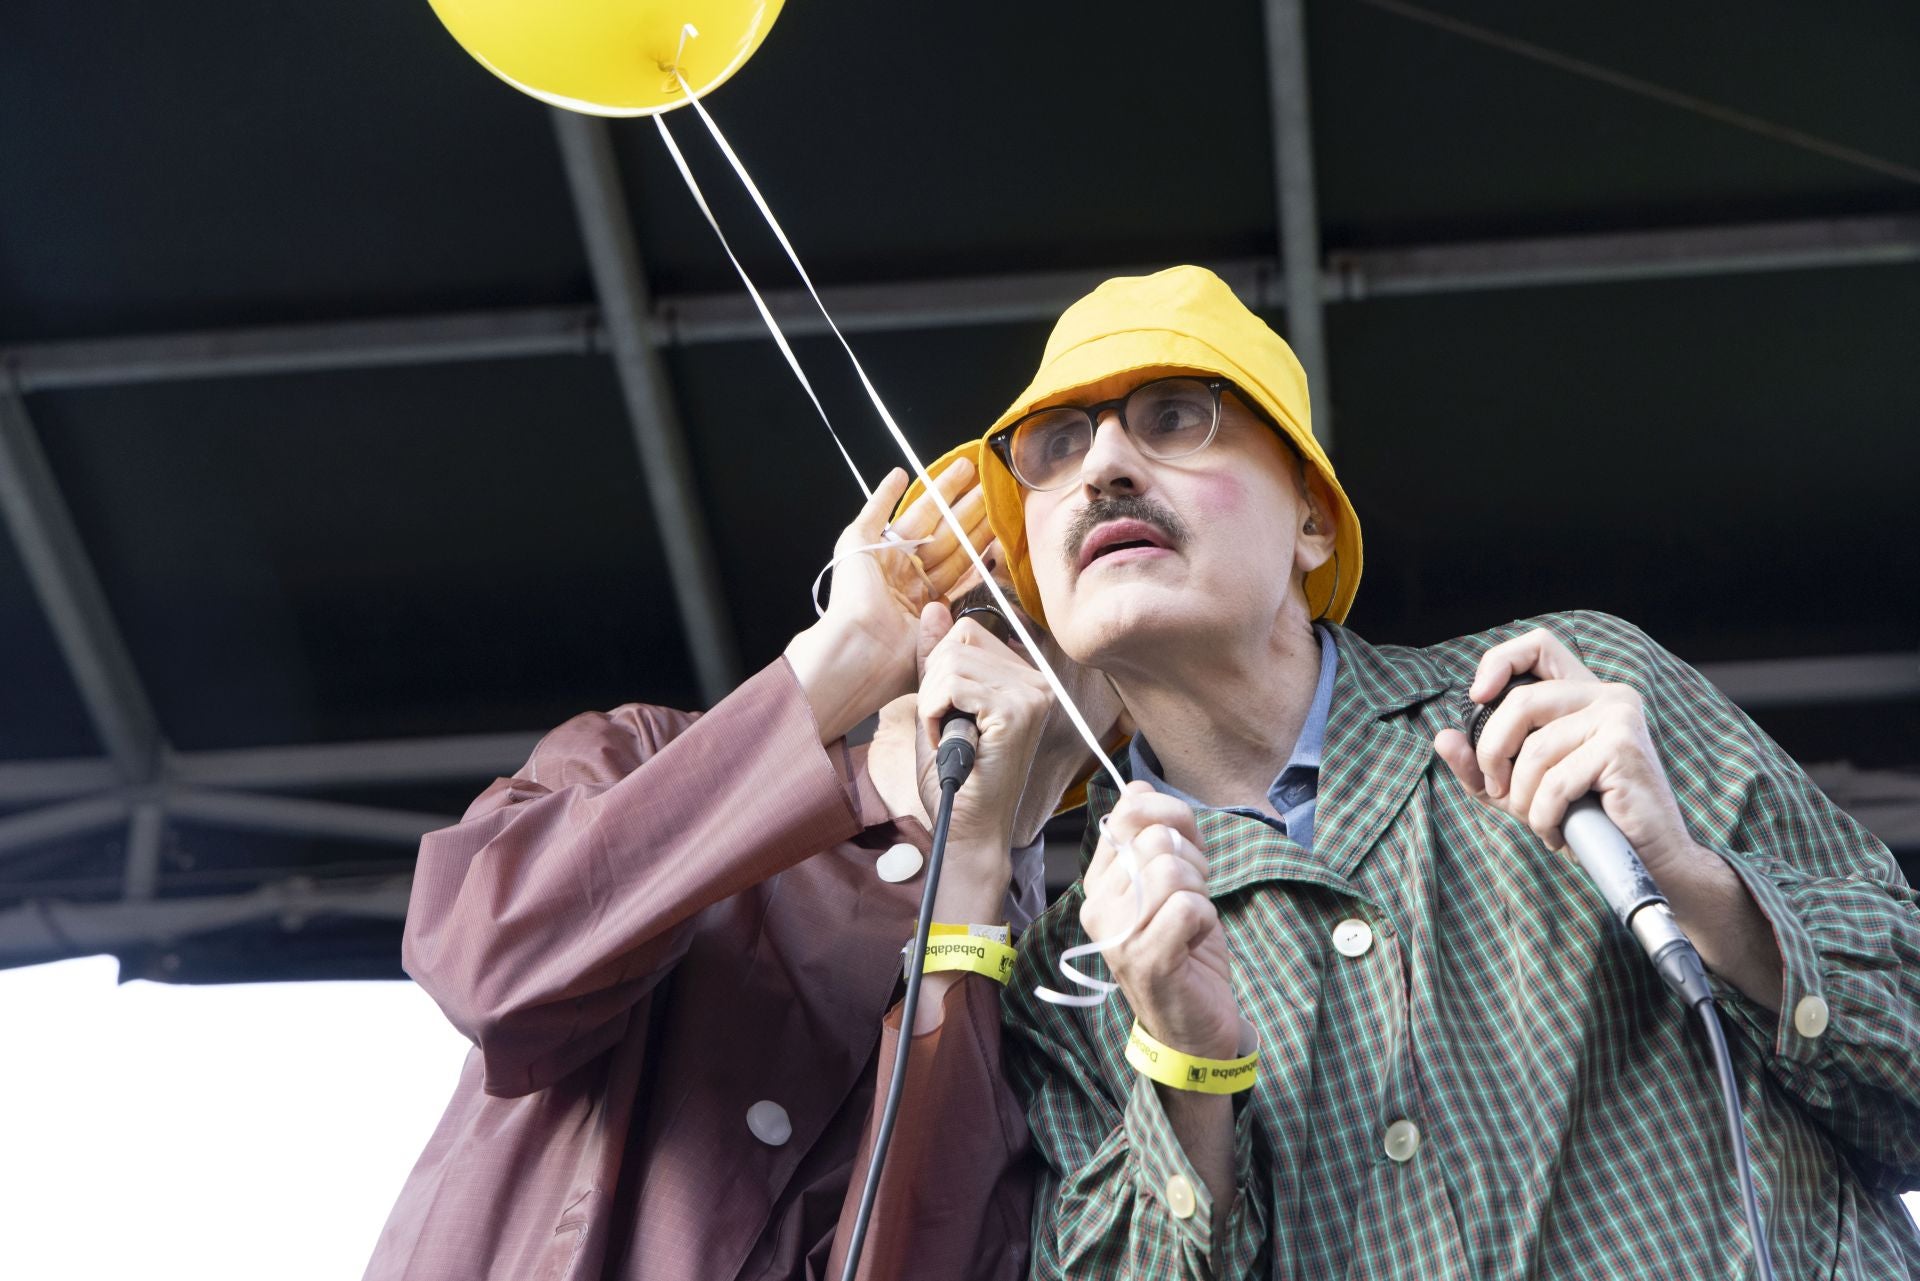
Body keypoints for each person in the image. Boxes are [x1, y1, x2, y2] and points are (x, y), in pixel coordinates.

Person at [941, 265, 1919, 1277]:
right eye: (1055, 446)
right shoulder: (1070, 980)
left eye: (1176, 416)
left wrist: (1691, 880)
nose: (1102, 464)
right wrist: (1187, 1073)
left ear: (1312, 520)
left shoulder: (1575, 691)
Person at [362, 449, 1120, 1281]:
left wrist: (969, 904)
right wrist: (832, 667)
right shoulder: (646, 753)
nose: (1015, 562)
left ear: (1130, 709)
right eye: (992, 519)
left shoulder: (1069, 1023)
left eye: (1077, 561)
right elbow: (485, 961)